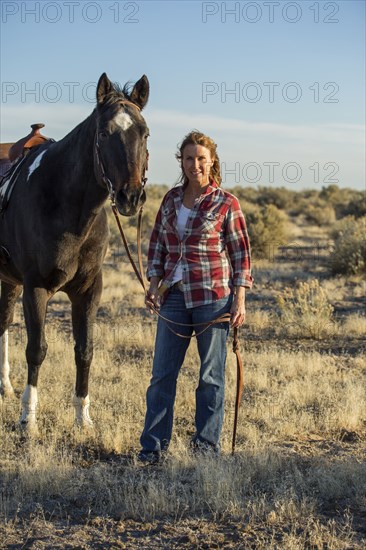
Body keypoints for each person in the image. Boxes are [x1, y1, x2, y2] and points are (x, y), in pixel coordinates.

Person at [138, 130, 253, 464]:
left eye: (201, 158)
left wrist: (240, 300)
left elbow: (241, 255)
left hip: (213, 297)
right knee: (162, 375)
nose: (195, 164)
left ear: (211, 161)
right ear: (181, 162)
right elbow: (157, 243)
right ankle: (153, 449)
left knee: (210, 377)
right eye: (189, 158)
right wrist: (153, 284)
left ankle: (205, 448)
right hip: (173, 297)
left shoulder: (227, 203)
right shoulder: (171, 200)